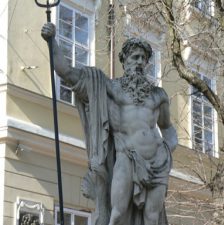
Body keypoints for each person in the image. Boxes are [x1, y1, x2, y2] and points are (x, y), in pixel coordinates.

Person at [41, 22, 178, 225]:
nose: (140, 62)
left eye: (144, 58)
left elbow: (167, 128)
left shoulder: (158, 95)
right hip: (127, 157)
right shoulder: (110, 88)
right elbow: (67, 72)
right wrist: (52, 42)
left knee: (152, 218)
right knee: (117, 214)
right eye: (135, 57)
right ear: (124, 61)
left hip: (158, 162)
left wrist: (167, 149)